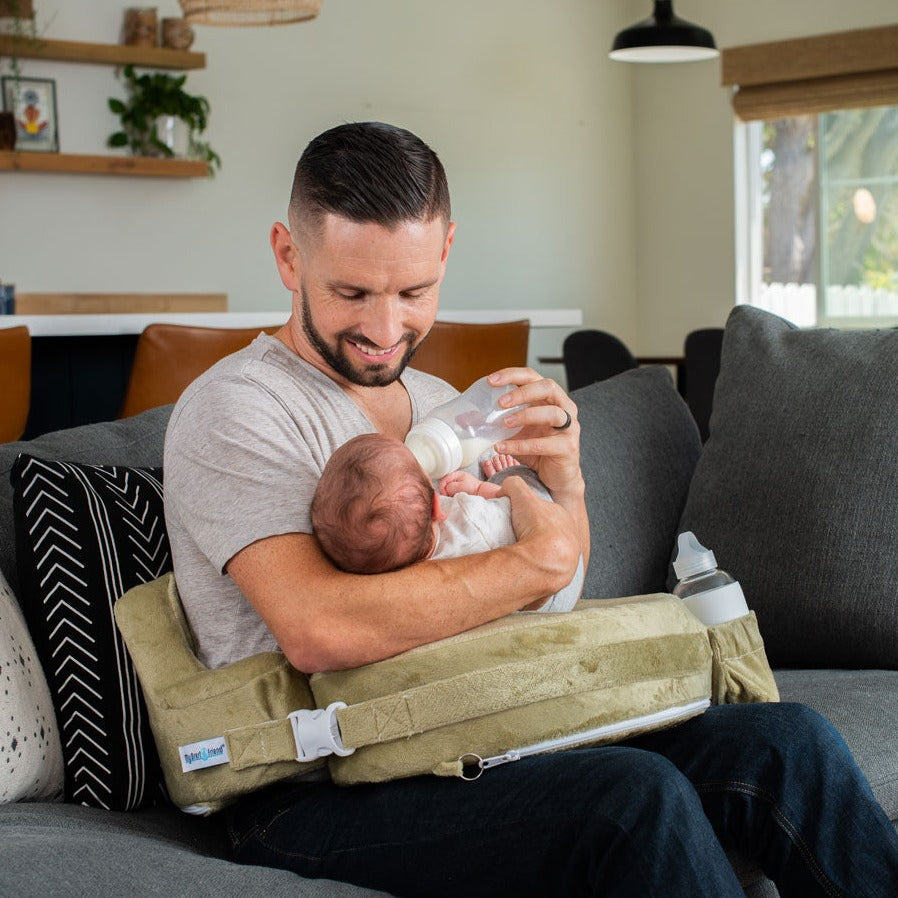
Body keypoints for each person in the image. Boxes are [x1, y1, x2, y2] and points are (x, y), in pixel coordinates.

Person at [164, 121, 898, 897]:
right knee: (629, 800)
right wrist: (530, 558)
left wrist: (568, 486)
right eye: (352, 292)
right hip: (311, 789)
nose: (385, 330)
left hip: (482, 727)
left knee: (788, 744)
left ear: (446, 250)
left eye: (413, 293)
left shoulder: (447, 408)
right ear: (288, 255)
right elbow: (321, 629)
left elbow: (559, 589)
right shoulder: (240, 408)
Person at [309, 433, 582, 612]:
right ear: (438, 505)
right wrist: (479, 488)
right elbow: (510, 506)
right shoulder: (471, 516)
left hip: (525, 603)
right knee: (519, 482)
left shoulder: (399, 578)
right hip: (557, 592)